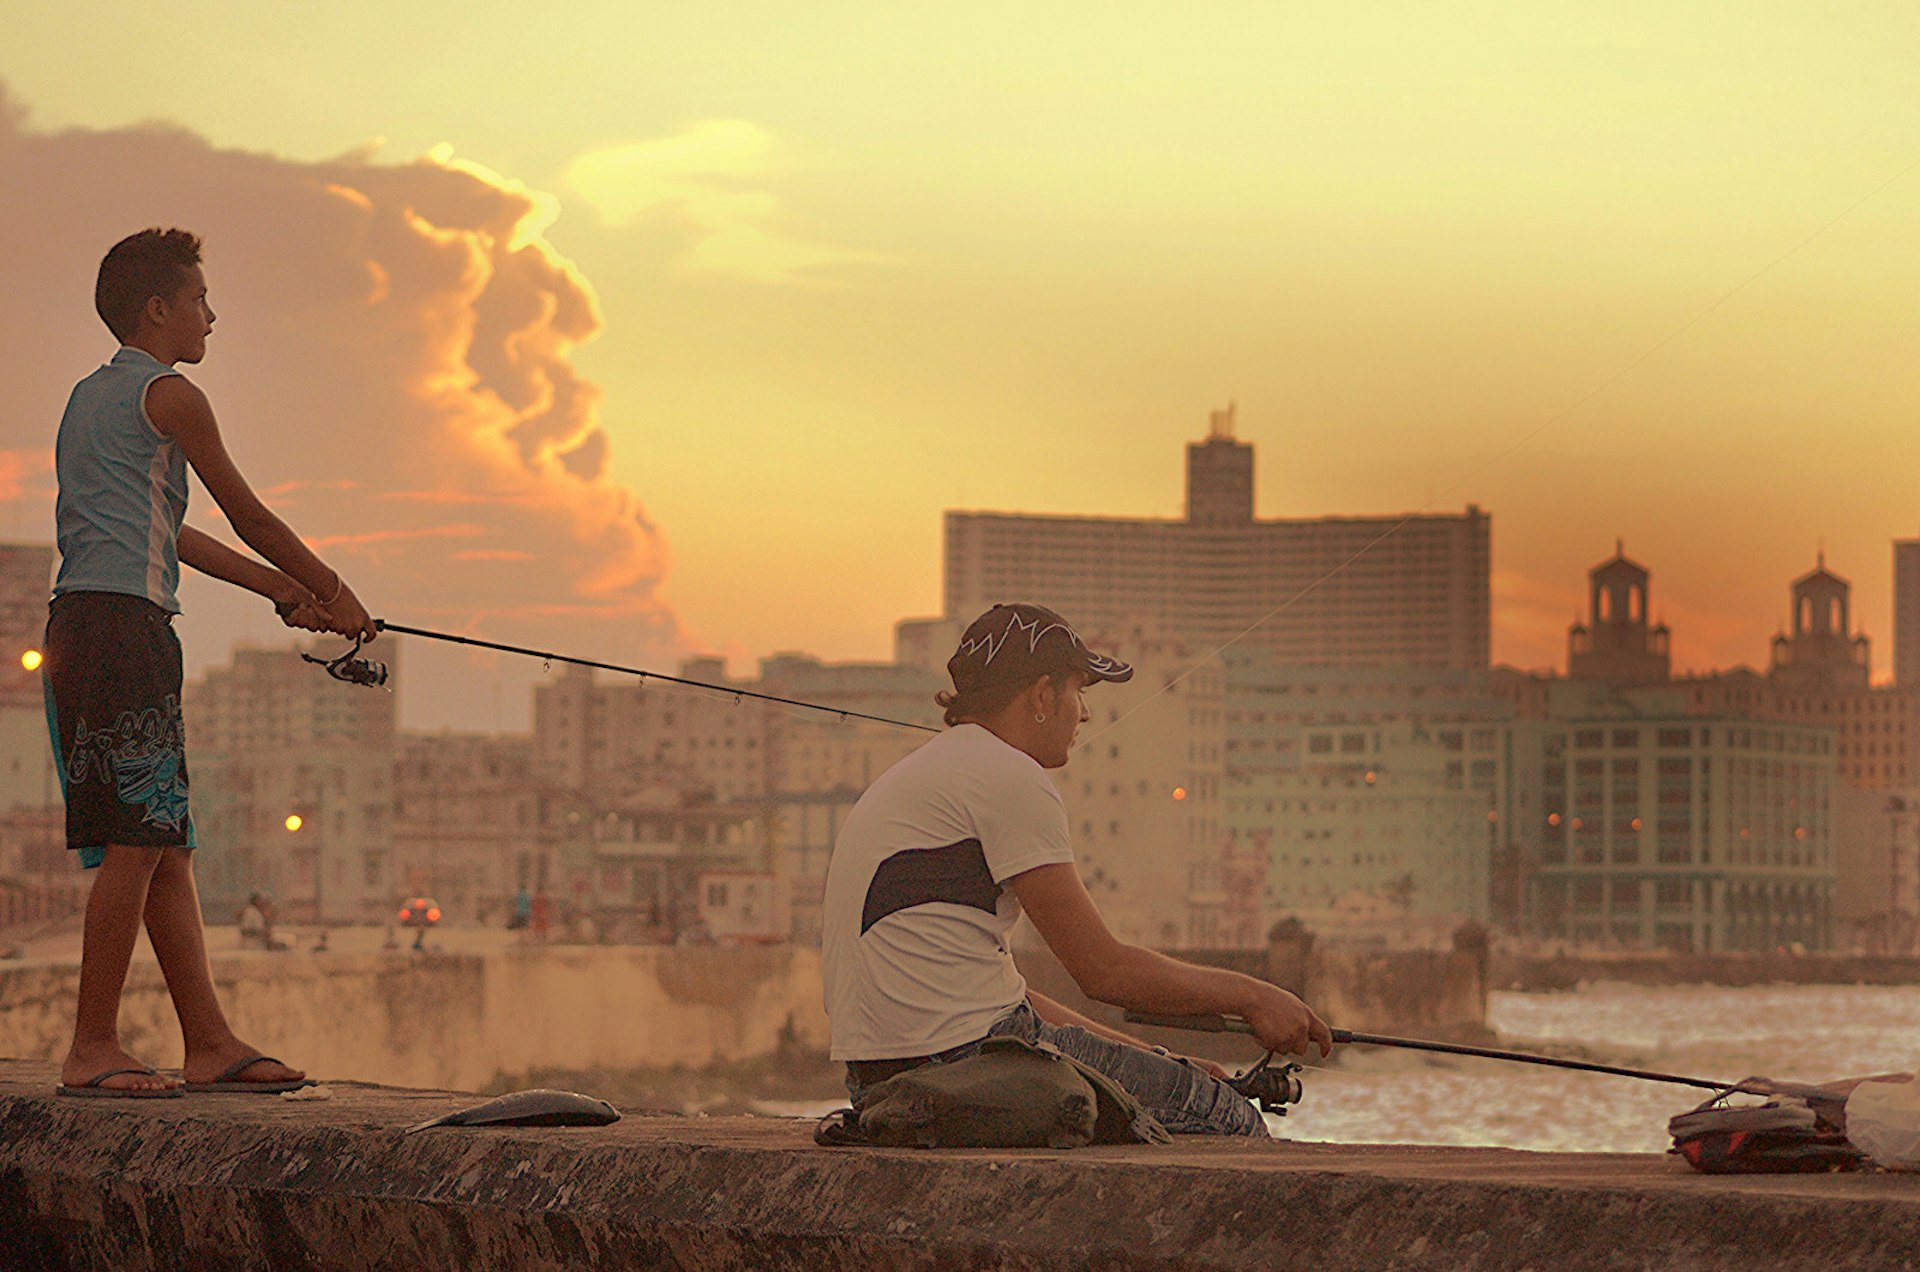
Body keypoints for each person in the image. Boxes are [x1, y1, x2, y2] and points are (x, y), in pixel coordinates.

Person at [42, 228, 375, 1097]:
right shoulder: (172, 397)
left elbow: (171, 531)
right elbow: (248, 513)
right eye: (198, 299)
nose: (211, 316)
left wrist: (277, 590)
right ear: (158, 308)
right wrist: (333, 590)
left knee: (164, 843)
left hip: (81, 626)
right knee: (133, 842)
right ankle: (91, 1046)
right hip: (125, 634)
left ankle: (210, 1042)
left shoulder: (88, 400)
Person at [821, 603, 1334, 1136]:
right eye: (1078, 691)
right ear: (1043, 696)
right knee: (1231, 1122)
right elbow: (1103, 972)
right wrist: (1256, 997)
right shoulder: (1009, 775)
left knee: (1183, 1100)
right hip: (968, 1065)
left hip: (880, 1083)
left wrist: (1158, 1063)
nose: (1083, 713)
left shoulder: (919, 774)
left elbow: (1007, 1001)